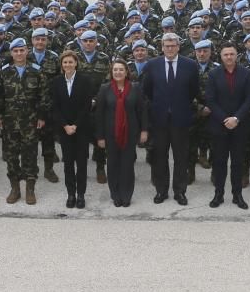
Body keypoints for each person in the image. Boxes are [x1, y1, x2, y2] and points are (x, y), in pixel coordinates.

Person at [140, 33, 200, 205]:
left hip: (181, 119)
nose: (170, 48)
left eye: (173, 45)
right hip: (159, 119)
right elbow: (148, 90)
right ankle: (161, 190)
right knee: (160, 156)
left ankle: (180, 191)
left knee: (181, 157)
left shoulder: (190, 65)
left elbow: (193, 91)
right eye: (167, 46)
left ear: (178, 47)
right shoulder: (152, 65)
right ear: (162, 47)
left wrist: (178, 106)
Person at [0, 38, 47, 205]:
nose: (19, 54)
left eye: (22, 50)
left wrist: (41, 116)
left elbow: (43, 96)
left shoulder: (37, 71)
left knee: (30, 155)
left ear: (27, 51)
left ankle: (30, 188)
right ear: (11, 53)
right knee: (11, 156)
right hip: (10, 121)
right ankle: (15, 188)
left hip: (30, 121)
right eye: (16, 51)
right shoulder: (4, 72)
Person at [204, 43, 250, 209]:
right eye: (226, 54)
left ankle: (237, 195)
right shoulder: (213, 74)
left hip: (240, 125)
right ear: (221, 56)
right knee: (219, 162)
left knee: (238, 162)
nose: (229, 57)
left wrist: (236, 118)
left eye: (232, 54)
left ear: (236, 55)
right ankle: (218, 194)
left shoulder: (246, 74)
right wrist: (225, 119)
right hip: (220, 125)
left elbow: (249, 99)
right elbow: (210, 100)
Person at [93, 59, 148, 207]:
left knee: (127, 165)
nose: (118, 72)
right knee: (112, 164)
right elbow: (99, 114)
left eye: (121, 70)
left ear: (126, 72)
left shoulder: (135, 88)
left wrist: (144, 130)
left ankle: (126, 194)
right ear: (111, 72)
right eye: (115, 70)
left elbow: (142, 111)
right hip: (110, 134)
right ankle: (115, 194)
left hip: (130, 133)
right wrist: (100, 137)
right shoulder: (105, 89)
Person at [49, 50, 97, 208]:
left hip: (81, 128)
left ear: (76, 63)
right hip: (64, 129)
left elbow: (87, 105)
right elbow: (55, 107)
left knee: (82, 163)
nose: (68, 65)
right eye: (65, 62)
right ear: (61, 65)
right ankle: (71, 194)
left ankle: (81, 194)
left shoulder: (85, 80)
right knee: (68, 163)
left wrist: (75, 125)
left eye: (70, 62)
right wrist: (65, 126)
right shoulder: (56, 82)